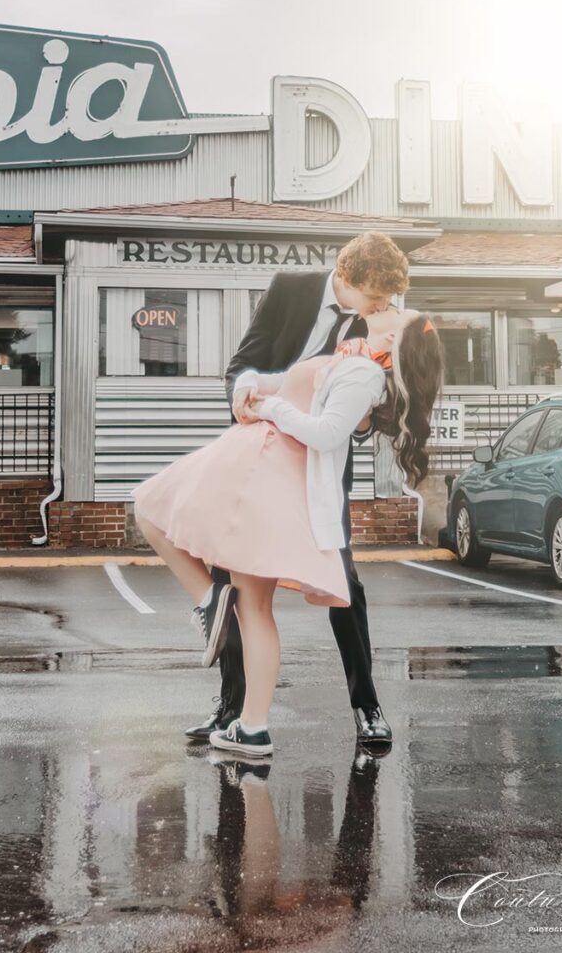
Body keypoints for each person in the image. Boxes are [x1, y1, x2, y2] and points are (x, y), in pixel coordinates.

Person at [133, 303, 444, 758]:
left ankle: (213, 609)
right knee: (249, 600)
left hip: (269, 466)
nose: (388, 306)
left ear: (399, 339)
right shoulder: (348, 355)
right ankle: (251, 726)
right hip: (263, 461)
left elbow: (324, 432)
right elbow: (272, 377)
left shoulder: (364, 373)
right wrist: (249, 387)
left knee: (155, 508)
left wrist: (272, 407)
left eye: (399, 312)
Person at [184, 232, 410, 747]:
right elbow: (243, 362)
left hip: (321, 465)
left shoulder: (383, 323)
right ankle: (231, 708)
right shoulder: (289, 288)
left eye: (387, 300)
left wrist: (358, 424)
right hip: (261, 453)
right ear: (346, 278)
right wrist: (241, 398)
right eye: (374, 297)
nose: (383, 307)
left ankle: (367, 705)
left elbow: (390, 407)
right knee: (233, 578)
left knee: (343, 582)